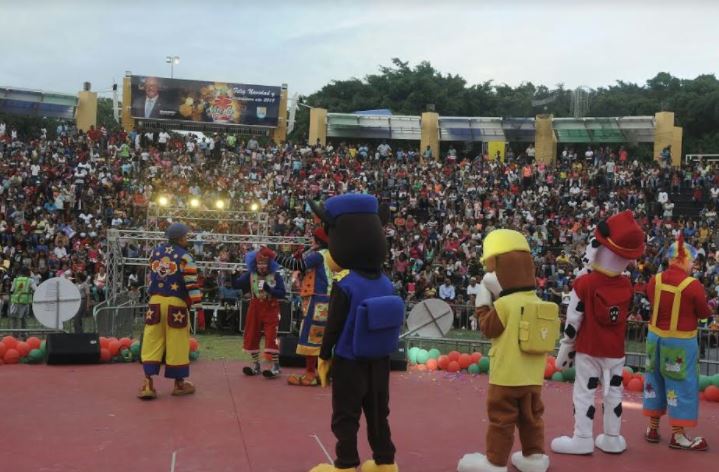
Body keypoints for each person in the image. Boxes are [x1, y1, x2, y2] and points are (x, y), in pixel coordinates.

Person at [309, 193, 403, 472]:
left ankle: (346, 464)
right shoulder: (387, 283)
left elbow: (333, 326)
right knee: (378, 414)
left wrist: (324, 355)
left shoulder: (346, 284)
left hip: (350, 361)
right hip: (380, 361)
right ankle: (385, 462)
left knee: (345, 416)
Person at [643, 235, 711, 450]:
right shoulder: (693, 285)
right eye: (692, 261)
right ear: (681, 260)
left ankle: (653, 428)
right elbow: (703, 312)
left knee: (654, 380)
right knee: (681, 385)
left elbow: (651, 298)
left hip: (655, 339)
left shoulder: (656, 280)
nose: (693, 265)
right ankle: (678, 435)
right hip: (680, 343)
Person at [138, 223, 202, 400]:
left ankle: (148, 383)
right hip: (176, 303)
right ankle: (179, 384)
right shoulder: (186, 257)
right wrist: (198, 304)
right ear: (181, 238)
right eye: (186, 237)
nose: (187, 239)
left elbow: (151, 277)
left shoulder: (155, 252)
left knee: (152, 340)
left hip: (155, 302)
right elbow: (191, 283)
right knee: (177, 343)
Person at [275, 227, 337, 386]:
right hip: (330, 299)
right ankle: (325, 374)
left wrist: (273, 255)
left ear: (318, 241)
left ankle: (310, 374)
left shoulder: (318, 256)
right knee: (326, 338)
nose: (311, 241)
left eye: (313, 239)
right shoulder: (332, 254)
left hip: (318, 300)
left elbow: (295, 265)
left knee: (311, 336)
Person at [232, 247, 286, 378]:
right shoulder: (250, 275)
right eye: (259, 263)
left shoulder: (276, 276)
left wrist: (270, 290)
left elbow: (282, 293)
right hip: (255, 307)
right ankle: (256, 365)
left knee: (271, 336)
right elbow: (236, 285)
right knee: (251, 335)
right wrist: (233, 275)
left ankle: (276, 366)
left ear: (270, 264)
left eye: (265, 264)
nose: (262, 266)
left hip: (271, 307)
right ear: (255, 264)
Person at [9, 267, 36, 333]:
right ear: (28, 272)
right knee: (24, 318)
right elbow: (35, 289)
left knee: (14, 318)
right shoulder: (30, 280)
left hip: (15, 301)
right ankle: (24, 334)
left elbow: (11, 291)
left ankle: (14, 334)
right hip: (25, 301)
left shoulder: (15, 280)